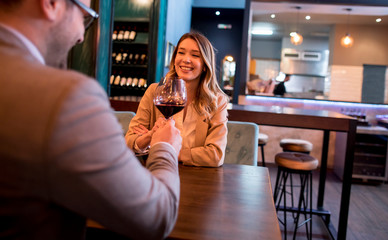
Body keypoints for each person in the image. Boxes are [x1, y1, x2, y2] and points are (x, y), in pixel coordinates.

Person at [0, 0, 182, 239]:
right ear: (51, 4)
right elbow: (158, 216)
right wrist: (165, 148)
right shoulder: (67, 97)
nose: (80, 37)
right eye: (84, 17)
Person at [125, 32, 229, 167]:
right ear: (174, 59)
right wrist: (151, 135)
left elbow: (215, 155)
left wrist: (168, 151)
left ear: (205, 65)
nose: (186, 59)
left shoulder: (217, 101)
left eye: (195, 55)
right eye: (181, 53)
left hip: (197, 179)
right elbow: (129, 142)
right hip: (156, 172)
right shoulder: (154, 91)